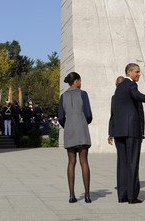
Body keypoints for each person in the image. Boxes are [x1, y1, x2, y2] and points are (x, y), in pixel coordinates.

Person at [112, 63, 145, 204]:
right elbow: (137, 95)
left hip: (119, 132)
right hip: (131, 130)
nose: (139, 74)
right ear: (129, 72)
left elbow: (115, 112)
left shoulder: (118, 89)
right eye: (136, 72)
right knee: (132, 162)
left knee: (122, 163)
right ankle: (132, 196)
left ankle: (122, 195)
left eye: (139, 72)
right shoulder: (130, 85)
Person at [58, 72, 93, 203]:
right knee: (84, 161)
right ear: (77, 81)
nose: (81, 83)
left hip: (69, 130)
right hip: (82, 129)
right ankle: (88, 195)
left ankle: (72, 195)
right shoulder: (83, 94)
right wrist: (83, 122)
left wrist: (67, 125)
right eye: (80, 80)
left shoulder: (63, 96)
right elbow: (88, 114)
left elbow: (60, 116)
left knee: (71, 162)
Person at [108, 75, 125, 146]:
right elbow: (112, 115)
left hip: (130, 133)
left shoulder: (132, 95)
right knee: (121, 156)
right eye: (117, 84)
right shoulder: (114, 98)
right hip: (118, 133)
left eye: (120, 84)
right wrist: (110, 133)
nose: (118, 86)